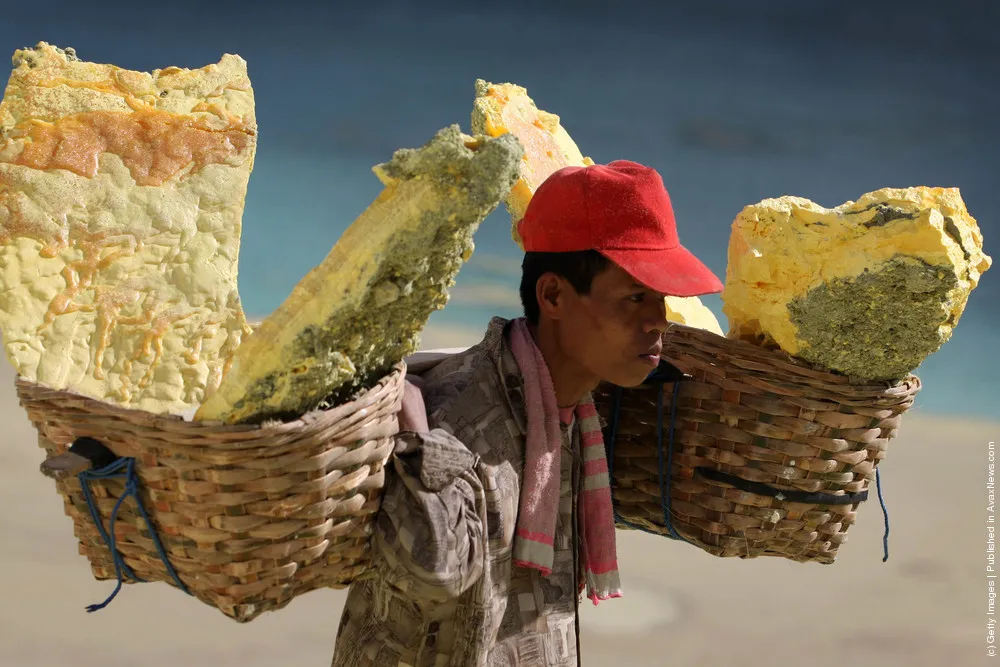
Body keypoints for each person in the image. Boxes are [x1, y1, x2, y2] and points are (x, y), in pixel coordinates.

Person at [330, 160, 723, 667]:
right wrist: (422, 448)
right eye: (634, 297)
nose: (658, 322)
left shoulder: (578, 412)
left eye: (661, 299)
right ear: (553, 295)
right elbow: (430, 577)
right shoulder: (465, 418)